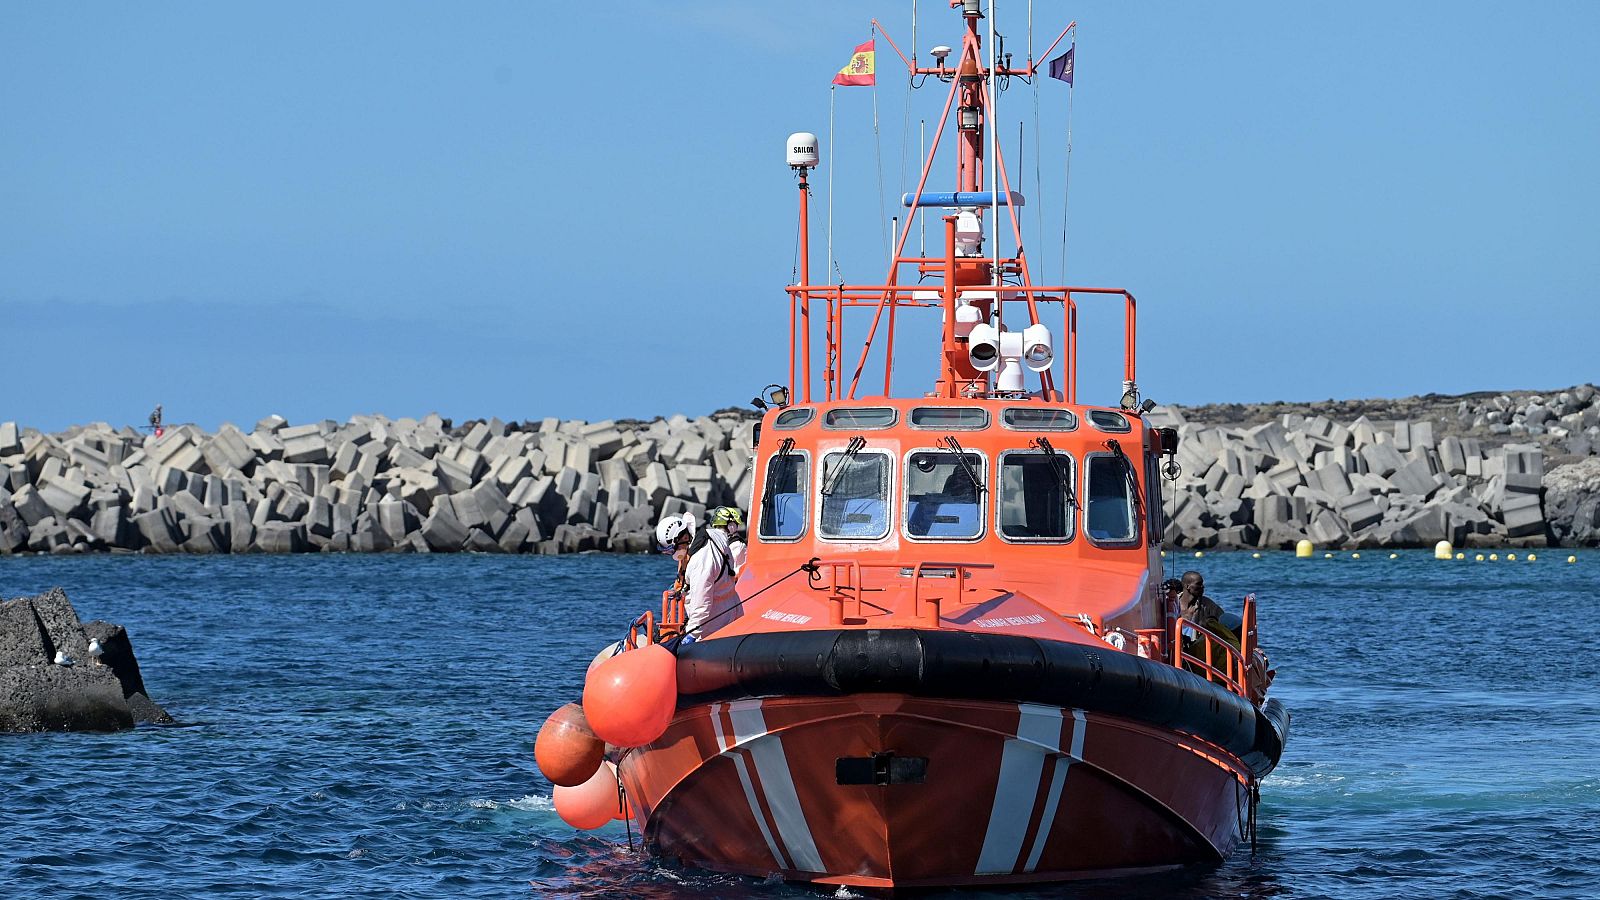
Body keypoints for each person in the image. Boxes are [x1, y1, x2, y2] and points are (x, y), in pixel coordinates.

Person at [683, 507, 745, 639]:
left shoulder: (708, 552)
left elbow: (702, 601)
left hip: (714, 624)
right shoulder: (724, 545)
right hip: (727, 615)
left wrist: (691, 634)